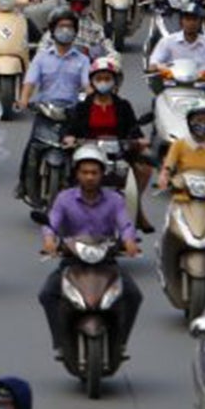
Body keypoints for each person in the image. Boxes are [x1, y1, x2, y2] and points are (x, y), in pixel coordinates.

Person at [38, 146, 140, 364]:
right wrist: (49, 240)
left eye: (94, 172)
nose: (90, 177)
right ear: (77, 174)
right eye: (85, 172)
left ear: (102, 174)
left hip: (107, 260)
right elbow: (52, 222)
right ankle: (60, 343)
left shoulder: (115, 199)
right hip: (72, 260)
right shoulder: (64, 199)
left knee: (133, 295)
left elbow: (126, 224)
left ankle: (120, 342)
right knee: (47, 293)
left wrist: (129, 241)